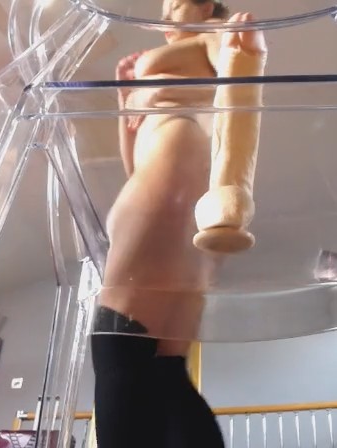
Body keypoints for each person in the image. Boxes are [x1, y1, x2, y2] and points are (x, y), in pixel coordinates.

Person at [90, 1, 265, 446]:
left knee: (119, 348)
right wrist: (126, 98)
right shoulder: (187, 55)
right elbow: (134, 164)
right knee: (165, 369)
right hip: (167, 193)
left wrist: (239, 46)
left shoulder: (212, 33)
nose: (165, 16)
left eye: (174, 6)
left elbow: (237, 70)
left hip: (173, 188)